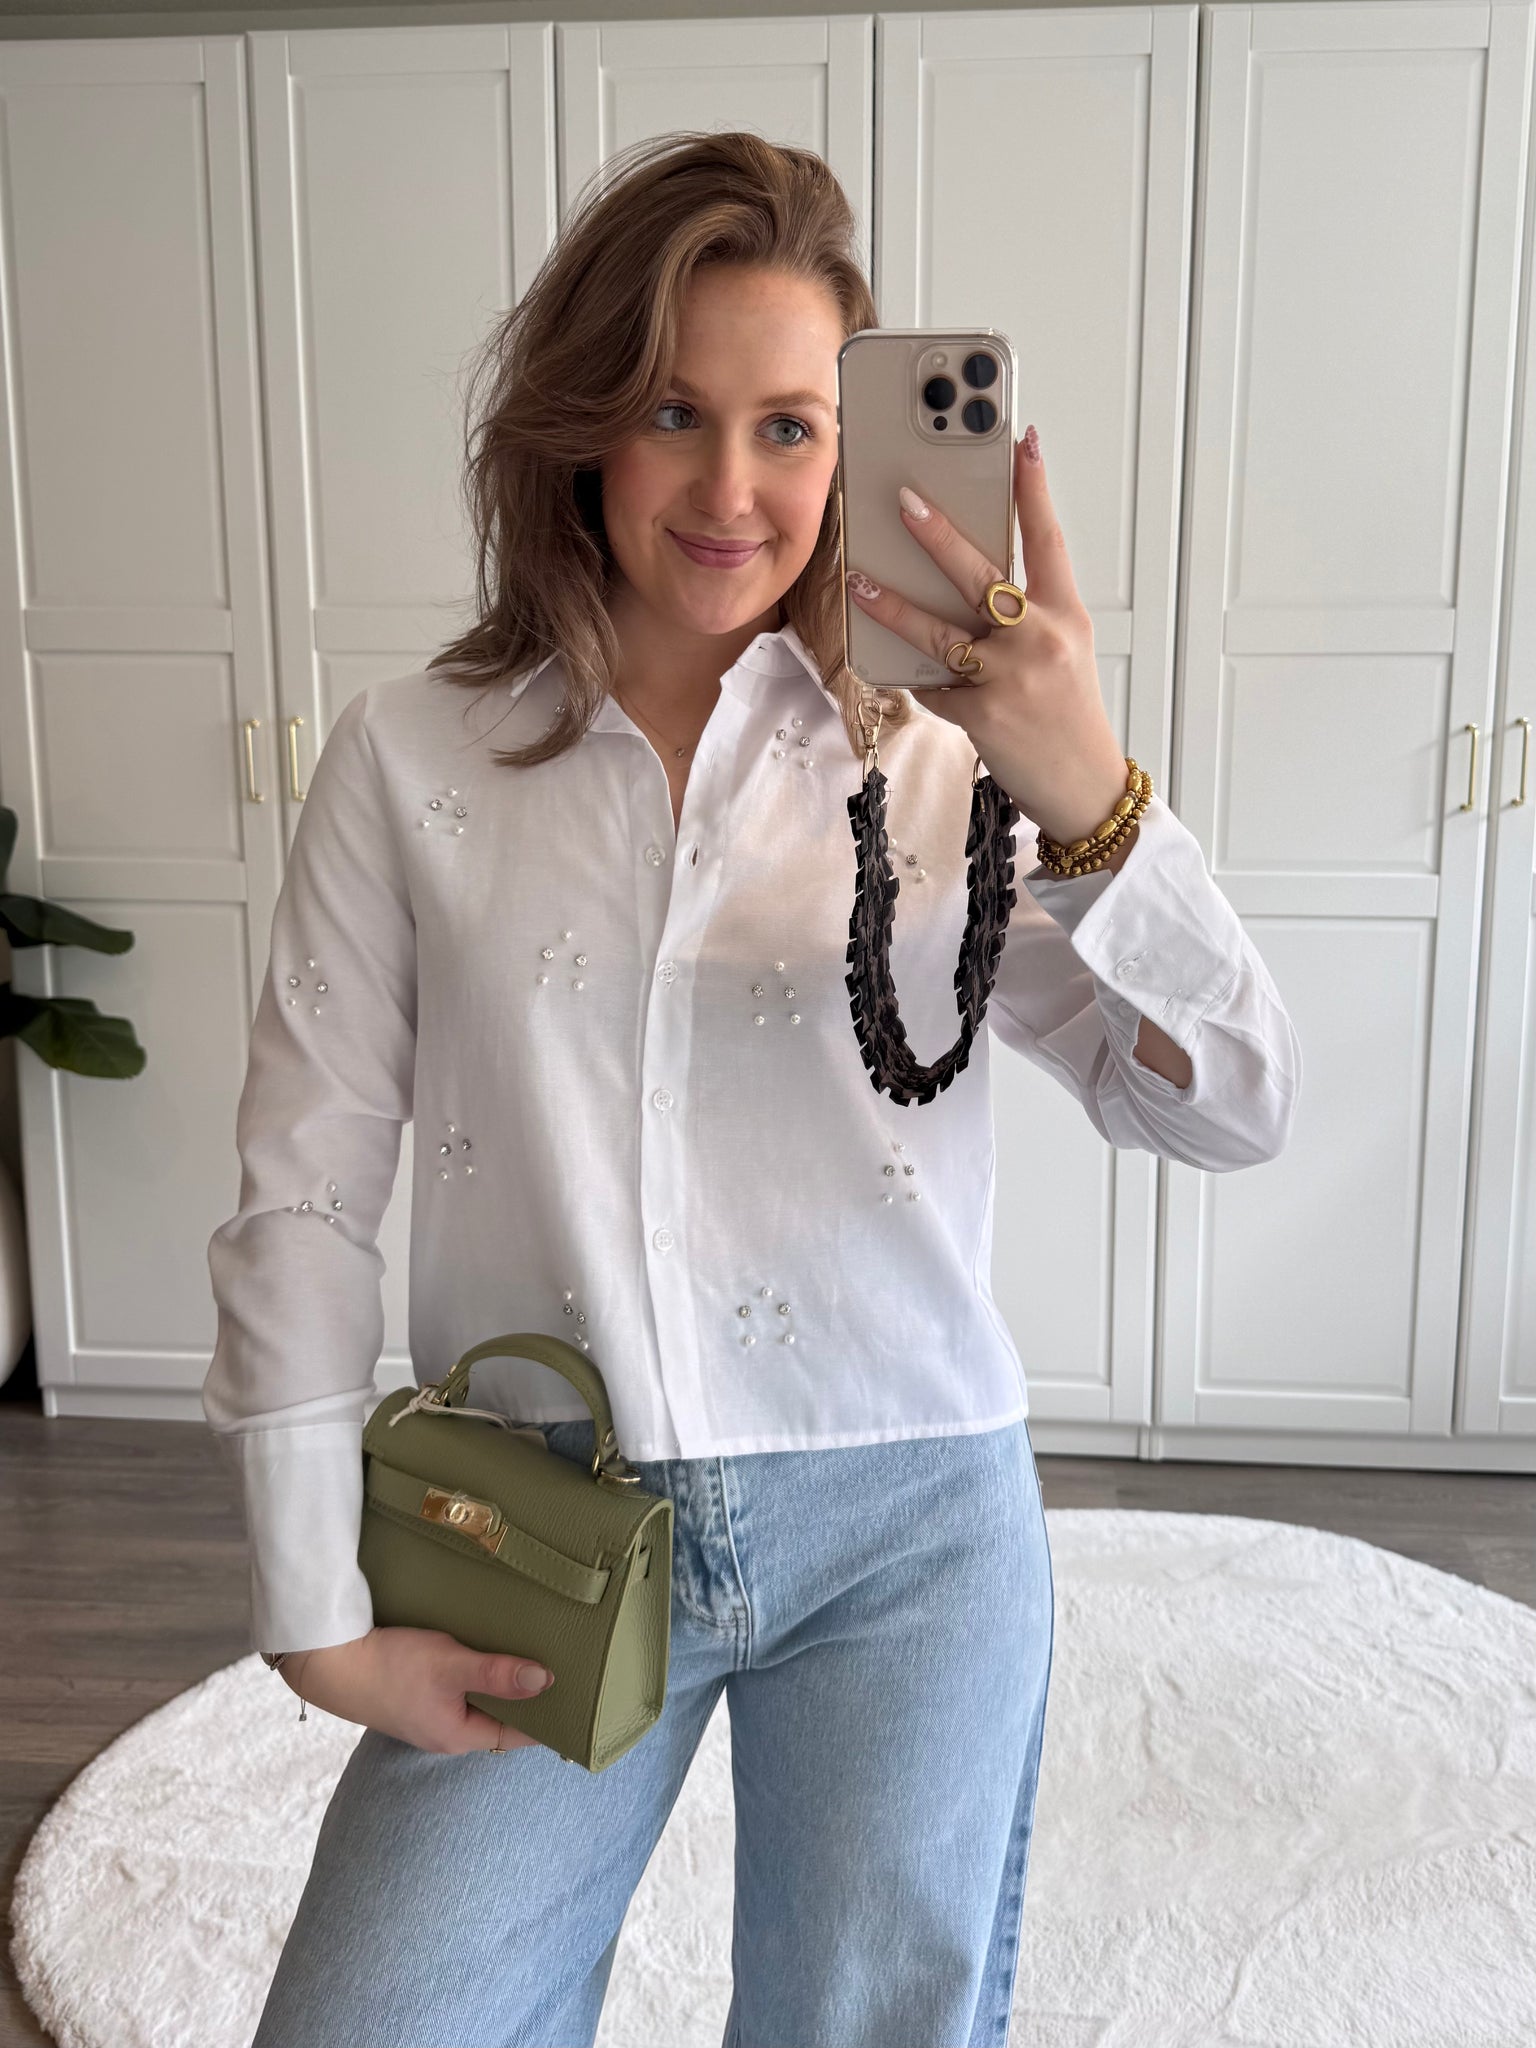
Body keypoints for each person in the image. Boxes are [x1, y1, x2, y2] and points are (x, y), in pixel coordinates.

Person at [204, 129, 1301, 2048]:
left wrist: (1089, 793)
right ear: (577, 436)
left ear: (859, 452)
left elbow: (1225, 1107)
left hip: (909, 1529)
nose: (731, 489)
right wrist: (311, 1605)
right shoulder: (409, 758)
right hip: (547, 1513)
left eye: (792, 428)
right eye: (671, 414)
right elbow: (304, 1182)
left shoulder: (949, 764)